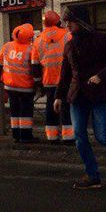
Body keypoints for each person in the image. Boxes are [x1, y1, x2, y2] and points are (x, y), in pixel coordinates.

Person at [55, 6, 106, 189]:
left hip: (99, 93)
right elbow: (65, 74)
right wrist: (59, 96)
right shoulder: (69, 45)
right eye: (66, 22)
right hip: (77, 96)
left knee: (102, 135)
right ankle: (92, 175)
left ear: (80, 22)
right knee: (79, 136)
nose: (67, 25)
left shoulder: (102, 39)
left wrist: (101, 75)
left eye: (70, 22)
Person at [32, 10, 73, 144]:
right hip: (66, 79)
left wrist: (38, 83)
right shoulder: (67, 35)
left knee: (50, 108)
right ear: (58, 21)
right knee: (66, 107)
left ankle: (52, 137)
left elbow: (35, 65)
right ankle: (68, 137)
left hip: (49, 80)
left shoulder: (38, 41)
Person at [0, 24, 39, 143]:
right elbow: (35, 68)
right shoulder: (31, 48)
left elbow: (0, 64)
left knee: (14, 111)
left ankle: (16, 135)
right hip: (26, 86)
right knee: (26, 112)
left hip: (10, 85)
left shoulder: (7, 46)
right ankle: (26, 136)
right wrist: (38, 83)